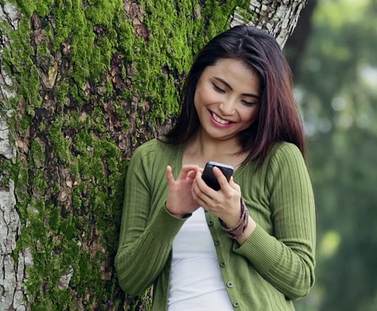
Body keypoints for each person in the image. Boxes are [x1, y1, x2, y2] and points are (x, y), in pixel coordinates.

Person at [115, 25, 316, 310]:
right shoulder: (150, 160)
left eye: (247, 101)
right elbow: (130, 279)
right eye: (219, 88)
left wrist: (239, 222)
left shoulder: (279, 160)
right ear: (198, 77)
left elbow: (300, 279)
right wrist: (172, 214)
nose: (227, 108)